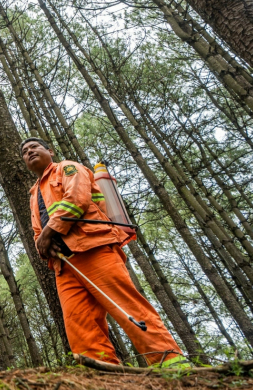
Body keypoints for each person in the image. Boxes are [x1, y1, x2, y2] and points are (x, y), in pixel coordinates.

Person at [21, 137, 184, 366]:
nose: (29, 152)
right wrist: (44, 246)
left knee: (126, 305)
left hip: (93, 247)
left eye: (34, 147)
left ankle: (170, 362)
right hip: (64, 265)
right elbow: (38, 232)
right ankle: (103, 373)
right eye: (25, 152)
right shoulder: (33, 193)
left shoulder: (68, 168)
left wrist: (49, 233)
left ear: (50, 151)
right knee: (79, 322)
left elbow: (77, 199)